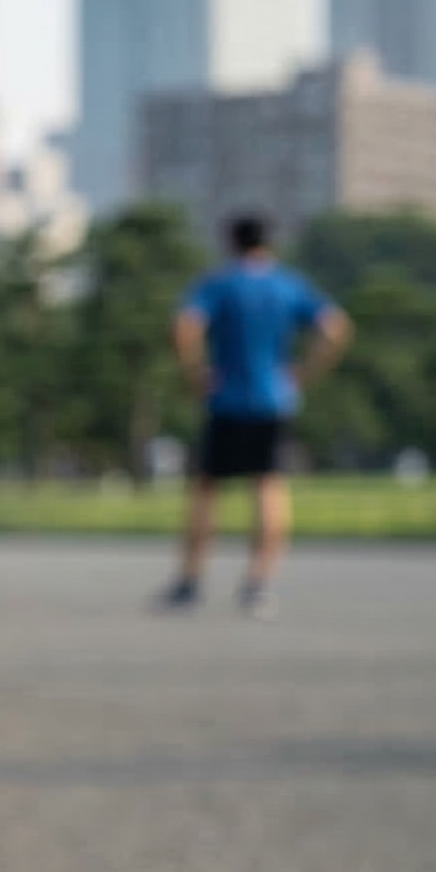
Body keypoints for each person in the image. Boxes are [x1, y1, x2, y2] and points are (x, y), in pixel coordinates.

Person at [158, 213, 352, 618]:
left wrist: (194, 372)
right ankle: (258, 584)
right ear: (269, 242)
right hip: (272, 399)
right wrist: (304, 371)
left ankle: (190, 581)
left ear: (231, 241)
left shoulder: (218, 283)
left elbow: (184, 326)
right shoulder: (288, 285)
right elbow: (335, 328)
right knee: (267, 487)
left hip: (225, 399)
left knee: (206, 491)